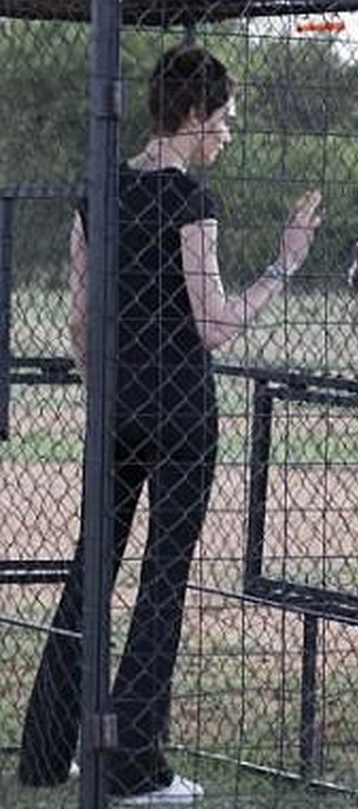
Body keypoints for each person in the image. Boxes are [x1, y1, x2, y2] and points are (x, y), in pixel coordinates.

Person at [17, 44, 322, 804]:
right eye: (226, 117)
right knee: (163, 577)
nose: (229, 132)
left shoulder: (98, 188)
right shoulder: (189, 200)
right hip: (182, 410)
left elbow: (80, 317)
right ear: (193, 114)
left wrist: (104, 390)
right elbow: (214, 324)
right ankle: (132, 766)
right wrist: (285, 263)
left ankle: (47, 752)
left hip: (116, 404)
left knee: (91, 568)